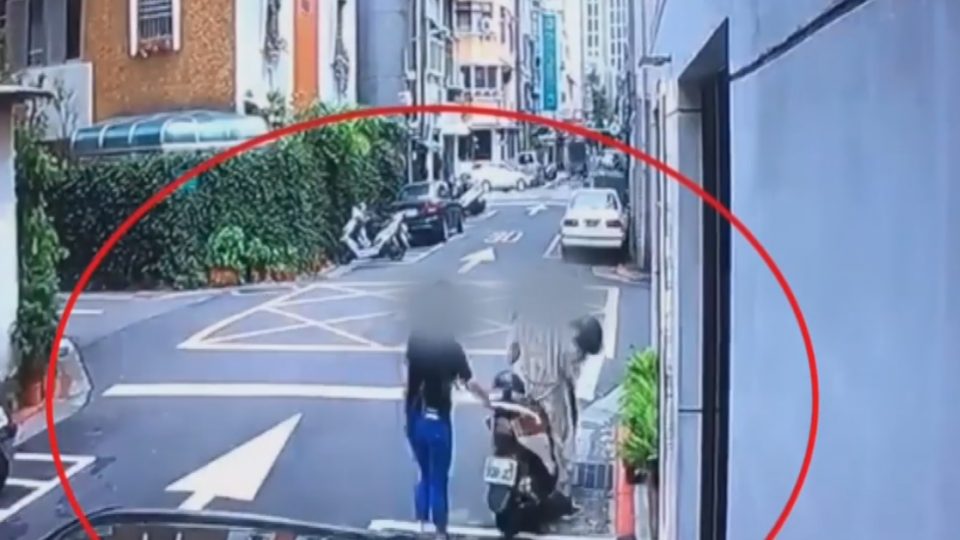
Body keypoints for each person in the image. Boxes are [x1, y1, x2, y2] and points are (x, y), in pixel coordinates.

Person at [404, 306, 491, 538]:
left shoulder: (415, 341)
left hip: (414, 417)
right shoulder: (452, 349)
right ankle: (440, 532)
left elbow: (407, 376)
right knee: (438, 478)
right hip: (437, 420)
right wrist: (487, 400)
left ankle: (422, 527)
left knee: (424, 474)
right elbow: (470, 383)